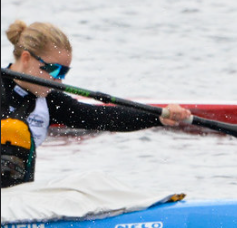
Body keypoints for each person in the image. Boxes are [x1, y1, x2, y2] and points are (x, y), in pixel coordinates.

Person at [1, 20, 192, 188]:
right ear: (26, 58)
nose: (58, 80)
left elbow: (101, 117)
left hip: (17, 199)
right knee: (12, 129)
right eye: (54, 70)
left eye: (63, 73)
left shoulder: (49, 101)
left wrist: (158, 116)